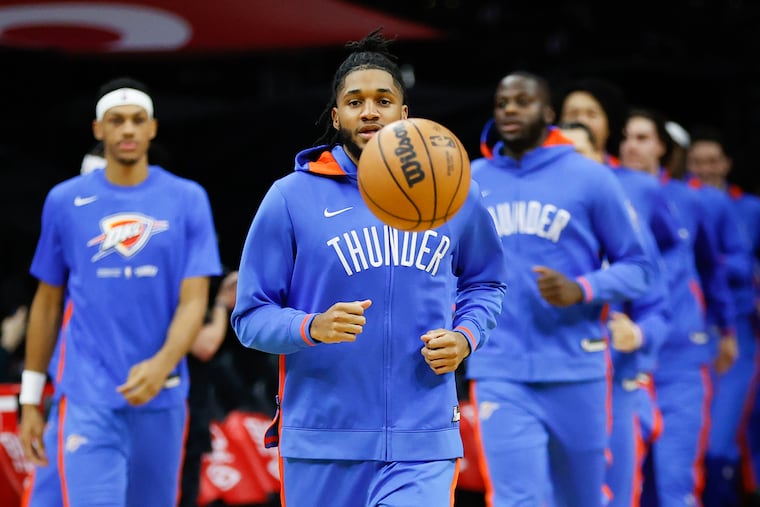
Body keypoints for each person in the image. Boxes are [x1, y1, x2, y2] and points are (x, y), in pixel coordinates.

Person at [230, 29, 508, 507]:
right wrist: (311, 326)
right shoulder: (291, 197)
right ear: (337, 115)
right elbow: (250, 318)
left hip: (423, 440)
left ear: (404, 113)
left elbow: (487, 281)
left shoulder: (454, 191)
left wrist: (466, 336)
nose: (370, 111)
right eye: (355, 101)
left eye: (383, 100)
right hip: (322, 441)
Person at [19, 76, 222, 507]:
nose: (127, 129)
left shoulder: (187, 199)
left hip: (162, 393)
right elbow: (47, 302)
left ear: (152, 128)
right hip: (87, 393)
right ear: (98, 129)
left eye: (137, 120)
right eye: (116, 120)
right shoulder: (64, 201)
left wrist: (161, 364)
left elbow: (194, 301)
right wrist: (32, 398)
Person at [466, 71, 651, 507]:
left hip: (577, 368)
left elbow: (640, 269)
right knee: (518, 499)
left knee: (581, 499)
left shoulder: (590, 177)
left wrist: (582, 289)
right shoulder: (470, 180)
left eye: (522, 101)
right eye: (502, 102)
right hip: (499, 370)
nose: (510, 109)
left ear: (548, 113)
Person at [619, 107, 736, 507]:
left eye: (643, 138)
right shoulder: (606, 192)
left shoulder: (689, 199)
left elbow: (712, 266)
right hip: (625, 359)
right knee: (625, 485)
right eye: (627, 137)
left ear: (662, 148)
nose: (632, 146)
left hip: (679, 358)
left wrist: (727, 329)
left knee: (674, 482)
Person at [559, 120, 672, 507]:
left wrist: (637, 335)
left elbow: (658, 312)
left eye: (580, 155)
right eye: (559, 154)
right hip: (549, 384)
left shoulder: (626, 229)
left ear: (600, 163)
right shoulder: (529, 233)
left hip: (615, 385)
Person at [686, 124, 760, 507]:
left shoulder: (750, 209)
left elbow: (745, 262)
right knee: (696, 436)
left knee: (724, 438)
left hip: (739, 333)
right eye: (697, 162)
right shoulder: (680, 203)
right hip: (691, 330)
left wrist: (704, 259)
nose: (705, 169)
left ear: (727, 164)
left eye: (713, 161)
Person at [179, 269, 238, 507]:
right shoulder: (174, 298)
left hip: (193, 412)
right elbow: (206, 345)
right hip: (177, 413)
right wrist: (223, 303)